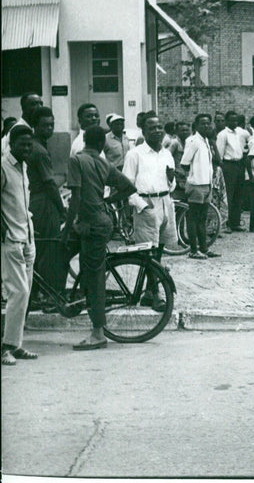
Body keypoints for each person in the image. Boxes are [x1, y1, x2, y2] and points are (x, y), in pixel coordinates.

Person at [62, 125, 137, 350]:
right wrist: (107, 202)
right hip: (101, 220)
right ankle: (76, 299)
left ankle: (98, 334)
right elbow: (128, 187)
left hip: (90, 224)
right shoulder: (103, 163)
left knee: (94, 278)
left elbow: (75, 197)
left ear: (84, 139)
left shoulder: (77, 160)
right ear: (102, 144)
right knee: (86, 269)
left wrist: (67, 227)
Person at [123, 115, 179, 311]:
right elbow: (126, 185)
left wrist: (171, 180)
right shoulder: (135, 154)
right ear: (143, 131)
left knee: (159, 252)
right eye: (152, 128)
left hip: (165, 202)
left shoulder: (166, 154)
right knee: (148, 253)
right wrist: (140, 205)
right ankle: (155, 295)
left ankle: (149, 292)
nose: (157, 131)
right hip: (146, 203)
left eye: (159, 127)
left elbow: (171, 184)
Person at [1, 125, 39, 365]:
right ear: (12, 144)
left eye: (29, 144)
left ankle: (16, 344)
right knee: (19, 292)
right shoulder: (3, 166)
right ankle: (6, 347)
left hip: (27, 236)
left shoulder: (23, 166)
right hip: (11, 239)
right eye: (22, 144)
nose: (26, 148)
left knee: (25, 294)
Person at [26, 107, 66, 306]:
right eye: (45, 125)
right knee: (47, 249)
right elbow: (50, 183)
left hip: (35, 199)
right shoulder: (39, 150)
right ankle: (41, 295)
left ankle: (35, 294)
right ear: (35, 126)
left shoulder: (35, 145)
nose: (49, 129)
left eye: (52, 125)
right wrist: (62, 210)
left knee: (39, 248)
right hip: (43, 203)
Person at [180, 114, 220, 258]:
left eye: (208, 124)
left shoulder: (206, 141)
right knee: (193, 218)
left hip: (207, 184)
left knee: (202, 218)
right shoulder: (193, 141)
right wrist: (193, 177)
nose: (206, 126)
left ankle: (204, 248)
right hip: (196, 185)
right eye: (202, 124)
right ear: (196, 126)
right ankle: (193, 250)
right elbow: (184, 163)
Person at [216, 110, 246, 232]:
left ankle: (235, 222)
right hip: (228, 165)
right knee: (228, 195)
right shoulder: (223, 134)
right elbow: (220, 153)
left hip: (239, 164)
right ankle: (226, 223)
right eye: (232, 120)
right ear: (226, 121)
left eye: (236, 120)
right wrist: (222, 169)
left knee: (238, 195)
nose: (234, 123)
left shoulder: (239, 133)